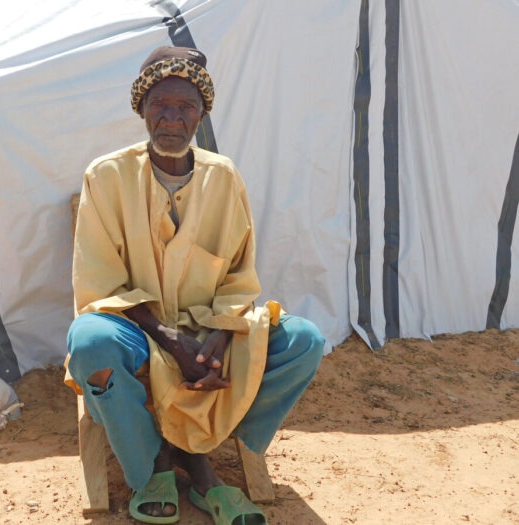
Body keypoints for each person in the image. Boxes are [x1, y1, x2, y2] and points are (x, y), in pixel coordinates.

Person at [65, 46, 324, 525]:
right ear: (141, 109)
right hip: (138, 329)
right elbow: (101, 285)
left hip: (209, 329)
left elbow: (239, 277)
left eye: (185, 106)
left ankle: (212, 446)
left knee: (305, 341)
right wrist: (170, 340)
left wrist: (219, 336)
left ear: (202, 113)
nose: (172, 117)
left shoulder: (223, 178)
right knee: (89, 343)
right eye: (160, 103)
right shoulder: (106, 177)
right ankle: (155, 466)